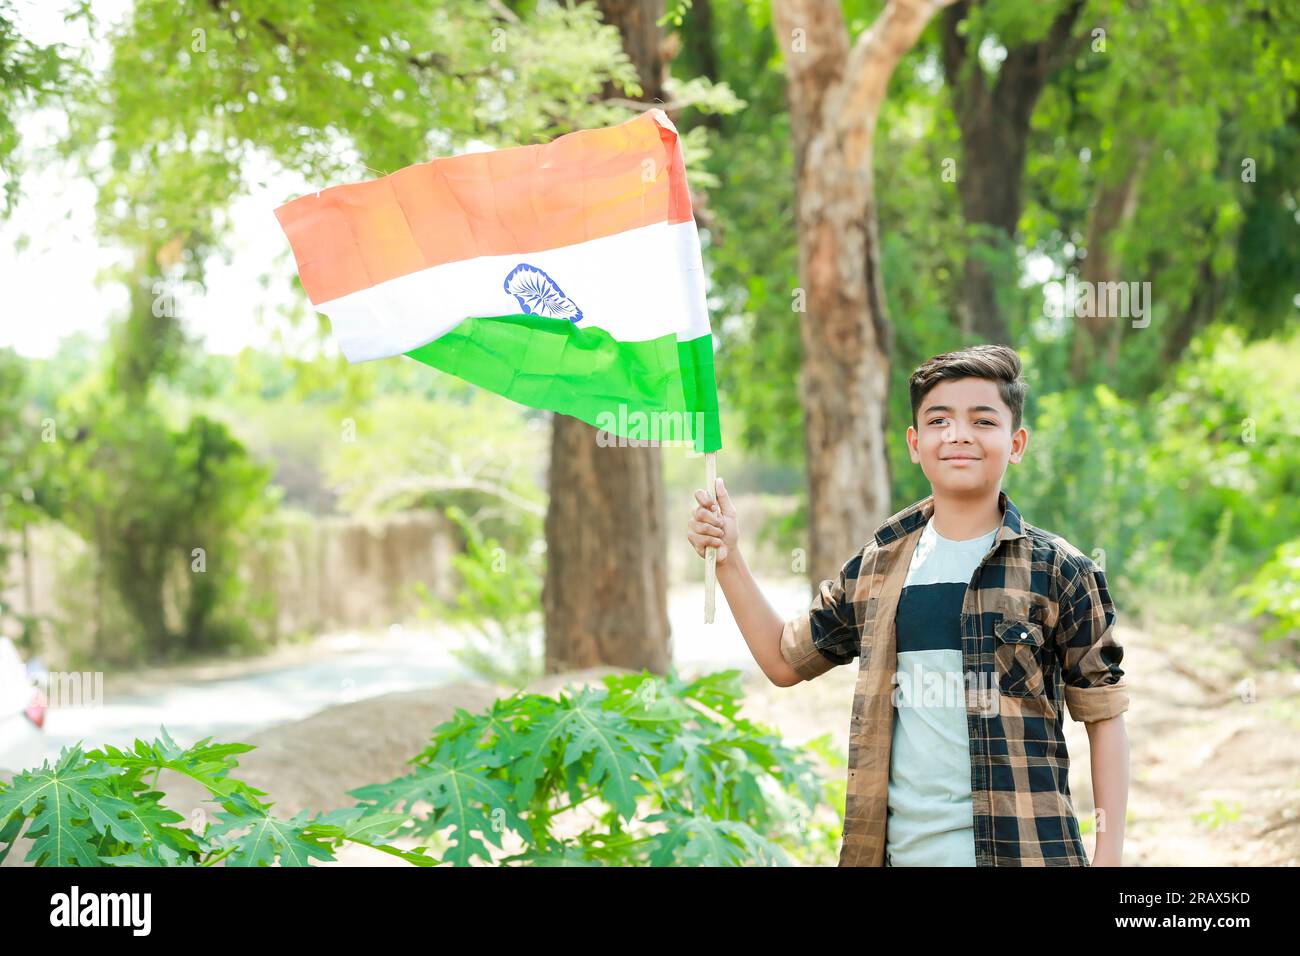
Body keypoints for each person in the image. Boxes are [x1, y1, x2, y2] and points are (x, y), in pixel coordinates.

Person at [685, 344, 1130, 866]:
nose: (959, 434)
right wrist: (729, 557)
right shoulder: (878, 567)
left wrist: (1110, 860)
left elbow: (1105, 720)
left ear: (1016, 443)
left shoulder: (1060, 571)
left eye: (983, 420)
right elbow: (784, 660)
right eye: (939, 420)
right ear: (916, 444)